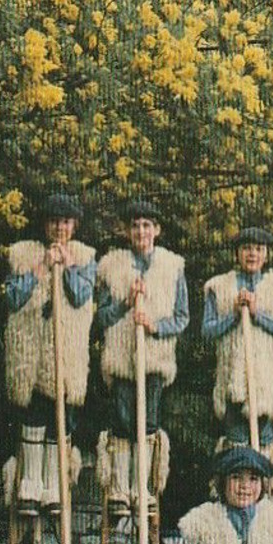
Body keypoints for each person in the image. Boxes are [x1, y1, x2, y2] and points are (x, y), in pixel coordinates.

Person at [4, 191, 96, 515]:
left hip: (66, 353)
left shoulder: (85, 257)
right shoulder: (23, 254)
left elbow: (82, 296)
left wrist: (68, 266)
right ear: (46, 225)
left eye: (66, 222)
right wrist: (42, 268)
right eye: (55, 222)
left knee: (62, 418)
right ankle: (30, 482)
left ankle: (55, 484)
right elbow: (13, 298)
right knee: (34, 413)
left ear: (74, 226)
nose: (60, 228)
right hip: (33, 350)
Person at [96, 199, 189, 515]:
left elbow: (181, 317)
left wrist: (154, 325)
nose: (141, 231)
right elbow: (103, 317)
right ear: (126, 230)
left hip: (154, 358)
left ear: (157, 230)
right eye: (135, 225)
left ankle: (142, 488)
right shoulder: (111, 265)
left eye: (147, 225)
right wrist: (125, 302)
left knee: (148, 421)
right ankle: (121, 489)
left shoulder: (173, 266)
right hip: (122, 356)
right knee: (123, 421)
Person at [202, 226, 273, 488]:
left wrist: (257, 314)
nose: (252, 254)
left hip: (266, 384)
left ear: (266, 255)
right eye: (246, 248)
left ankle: (263, 499)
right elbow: (208, 331)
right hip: (233, 381)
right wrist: (234, 313)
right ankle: (234, 496)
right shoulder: (219, 288)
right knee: (235, 440)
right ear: (237, 253)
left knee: (264, 442)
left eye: (258, 249)